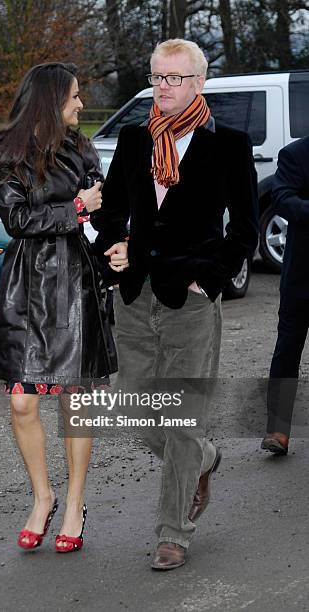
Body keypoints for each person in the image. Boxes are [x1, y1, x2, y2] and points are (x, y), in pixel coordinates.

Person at [92, 38, 258, 570]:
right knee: (140, 415)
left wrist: (209, 280)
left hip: (189, 300)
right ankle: (205, 458)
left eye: (174, 78)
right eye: (156, 78)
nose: (162, 87)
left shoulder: (229, 145)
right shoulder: (134, 139)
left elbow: (246, 231)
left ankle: (173, 532)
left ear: (198, 82)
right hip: (135, 295)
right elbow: (111, 210)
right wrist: (113, 245)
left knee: (181, 418)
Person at [0, 62, 117, 553]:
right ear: (50, 99)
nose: (81, 104)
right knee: (23, 400)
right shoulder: (5, 150)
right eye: (75, 96)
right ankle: (42, 497)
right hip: (26, 282)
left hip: (75, 279)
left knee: (75, 400)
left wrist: (111, 232)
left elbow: (105, 200)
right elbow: (17, 219)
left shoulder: (82, 148)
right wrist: (77, 208)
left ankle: (74, 503)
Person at [261, 135, 309, 456]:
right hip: (302, 277)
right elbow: (281, 198)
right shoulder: (295, 154)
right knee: (288, 350)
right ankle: (278, 430)